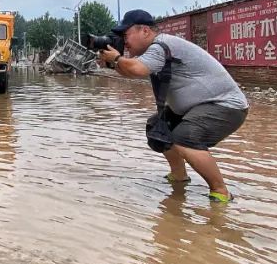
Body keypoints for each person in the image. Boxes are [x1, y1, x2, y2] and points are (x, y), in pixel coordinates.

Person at [96, 10, 249, 202]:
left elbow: (137, 69)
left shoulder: (160, 45)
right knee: (158, 127)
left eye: (126, 35)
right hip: (197, 106)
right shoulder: (156, 48)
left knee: (184, 137)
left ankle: (221, 191)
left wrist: (116, 59)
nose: (124, 41)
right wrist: (113, 63)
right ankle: (179, 176)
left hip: (226, 106)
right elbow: (131, 72)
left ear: (145, 31)